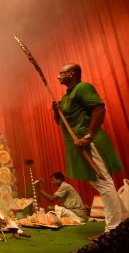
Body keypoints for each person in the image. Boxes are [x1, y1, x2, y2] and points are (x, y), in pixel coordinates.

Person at [53, 63, 128, 235]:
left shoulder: (83, 88)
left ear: (72, 73)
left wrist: (88, 136)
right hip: (76, 143)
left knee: (103, 181)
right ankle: (123, 220)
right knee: (98, 182)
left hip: (88, 141)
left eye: (61, 73)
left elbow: (99, 109)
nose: (58, 76)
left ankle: (114, 228)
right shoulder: (66, 97)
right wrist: (57, 113)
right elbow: (62, 123)